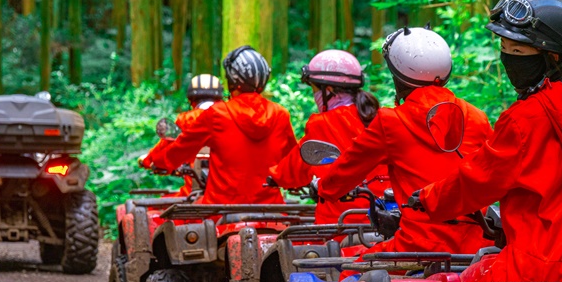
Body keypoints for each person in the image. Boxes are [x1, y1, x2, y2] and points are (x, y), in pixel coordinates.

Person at [415, 0, 562, 282]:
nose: (508, 59)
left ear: (552, 56)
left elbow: (479, 179)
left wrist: (429, 198)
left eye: (518, 52)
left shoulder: (523, 120)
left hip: (533, 271)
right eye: (504, 48)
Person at [316, 28, 492, 254]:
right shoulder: (477, 117)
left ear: (397, 76)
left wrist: (325, 188)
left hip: (418, 247)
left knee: (348, 269)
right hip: (476, 248)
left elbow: (346, 169)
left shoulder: (391, 121)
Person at [149, 46, 297, 205]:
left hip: (222, 211)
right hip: (271, 212)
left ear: (231, 81)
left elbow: (181, 148)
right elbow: (293, 162)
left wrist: (159, 162)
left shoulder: (217, 114)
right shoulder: (280, 114)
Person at [268, 50, 389, 225]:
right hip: (384, 220)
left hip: (340, 223)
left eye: (314, 89)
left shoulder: (321, 123)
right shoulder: (380, 117)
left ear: (329, 91)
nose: (314, 96)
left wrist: (275, 177)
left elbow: (295, 168)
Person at [141, 73, 224, 196]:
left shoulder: (186, 120)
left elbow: (166, 148)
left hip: (195, 192)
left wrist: (148, 161)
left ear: (191, 100)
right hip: (230, 192)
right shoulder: (229, 117)